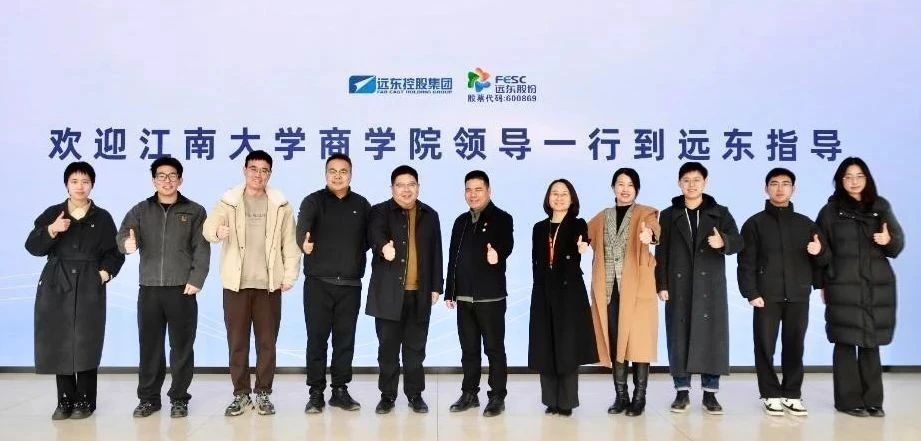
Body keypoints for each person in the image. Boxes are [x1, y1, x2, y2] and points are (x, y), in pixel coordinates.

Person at [202, 150, 300, 416]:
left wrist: (289, 275)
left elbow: (290, 243)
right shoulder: (229, 201)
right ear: (244, 170)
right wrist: (217, 232)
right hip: (236, 285)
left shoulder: (281, 205)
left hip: (269, 286)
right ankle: (241, 394)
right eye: (254, 169)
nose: (258, 174)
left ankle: (263, 393)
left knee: (267, 343)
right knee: (237, 342)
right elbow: (208, 228)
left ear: (270, 174)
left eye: (264, 170)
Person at [26, 161, 125, 420]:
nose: (80, 186)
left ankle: (85, 400)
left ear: (92, 185)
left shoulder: (102, 217)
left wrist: (103, 274)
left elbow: (115, 253)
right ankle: (64, 400)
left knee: (86, 340)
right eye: (74, 181)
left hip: (90, 282)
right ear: (66, 185)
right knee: (60, 340)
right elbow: (33, 246)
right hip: (56, 282)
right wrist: (51, 230)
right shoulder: (53, 213)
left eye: (85, 181)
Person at [117, 157, 210, 418]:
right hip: (149, 289)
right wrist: (126, 244)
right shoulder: (140, 210)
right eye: (161, 176)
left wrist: (196, 279)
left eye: (172, 176)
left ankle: (179, 398)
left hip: (182, 289)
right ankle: (148, 399)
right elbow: (123, 234)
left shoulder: (195, 211)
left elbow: (201, 248)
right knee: (150, 347)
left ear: (180, 179)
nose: (167, 181)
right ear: (153, 180)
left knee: (182, 348)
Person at [815, 157, 904, 418]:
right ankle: (847, 401)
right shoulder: (830, 212)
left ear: (867, 178)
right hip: (842, 284)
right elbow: (821, 250)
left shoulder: (880, 207)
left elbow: (897, 244)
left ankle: (873, 401)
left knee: (870, 342)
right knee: (845, 341)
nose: (854, 182)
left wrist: (888, 240)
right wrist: (822, 283)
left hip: (876, 284)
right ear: (840, 181)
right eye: (848, 177)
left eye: (859, 176)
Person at [737, 168, 829, 417]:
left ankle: (792, 394)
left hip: (798, 294)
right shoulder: (755, 223)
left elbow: (824, 258)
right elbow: (746, 262)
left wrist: (819, 251)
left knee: (795, 346)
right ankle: (770, 393)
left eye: (785, 184)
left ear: (793, 189)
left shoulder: (806, 224)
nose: (780, 188)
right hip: (766, 296)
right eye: (774, 183)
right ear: (766, 188)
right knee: (764, 346)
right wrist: (751, 292)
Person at [655, 161, 742, 414]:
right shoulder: (668, 214)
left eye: (696, 180)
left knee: (711, 337)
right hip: (678, 285)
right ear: (679, 183)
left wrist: (723, 242)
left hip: (710, 286)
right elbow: (662, 252)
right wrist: (662, 283)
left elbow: (739, 241)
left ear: (705, 183)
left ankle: (710, 394)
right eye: (686, 180)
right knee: (679, 337)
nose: (691, 185)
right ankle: (681, 392)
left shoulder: (720, 212)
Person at [366, 165, 444, 414]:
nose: (406, 190)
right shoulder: (379, 212)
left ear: (418, 187)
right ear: (392, 188)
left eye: (411, 184)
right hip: (388, 294)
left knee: (415, 350)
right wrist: (383, 247)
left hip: (419, 294)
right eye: (400, 185)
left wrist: (436, 286)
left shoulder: (430, 214)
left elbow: (436, 252)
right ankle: (387, 396)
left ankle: (415, 395)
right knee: (387, 350)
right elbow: (374, 234)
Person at [296, 153, 370, 413]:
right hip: (318, 284)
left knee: (344, 341)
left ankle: (340, 390)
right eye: (332, 171)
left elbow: (370, 238)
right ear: (326, 174)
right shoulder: (313, 201)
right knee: (316, 340)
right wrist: (303, 244)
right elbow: (302, 229)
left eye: (343, 171)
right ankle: (316, 392)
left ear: (351, 174)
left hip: (350, 285)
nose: (337, 176)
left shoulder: (362, 204)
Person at [587, 168, 660, 417]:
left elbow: (654, 230)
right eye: (620, 184)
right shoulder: (602, 217)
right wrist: (580, 243)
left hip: (637, 289)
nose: (625, 189)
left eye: (630, 185)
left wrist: (649, 236)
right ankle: (621, 396)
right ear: (613, 188)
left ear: (636, 189)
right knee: (615, 340)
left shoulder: (645, 213)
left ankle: (639, 397)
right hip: (609, 291)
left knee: (639, 342)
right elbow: (583, 234)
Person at [444, 170, 514, 417]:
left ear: (488, 191)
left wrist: (498, 254)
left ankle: (497, 396)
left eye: (478, 189)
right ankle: (469, 393)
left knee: (494, 349)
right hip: (464, 297)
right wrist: (450, 291)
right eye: (468, 190)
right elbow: (453, 257)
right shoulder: (460, 221)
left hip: (490, 297)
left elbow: (507, 244)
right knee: (469, 350)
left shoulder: (502, 218)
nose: (473, 194)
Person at [528, 179, 598, 417]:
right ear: (548, 198)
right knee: (545, 345)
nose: (559, 198)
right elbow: (536, 262)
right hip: (543, 292)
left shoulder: (578, 224)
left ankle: (566, 402)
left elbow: (583, 242)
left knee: (567, 347)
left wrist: (582, 247)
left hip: (569, 295)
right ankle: (550, 400)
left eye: (564, 194)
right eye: (554, 193)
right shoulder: (539, 228)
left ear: (572, 199)